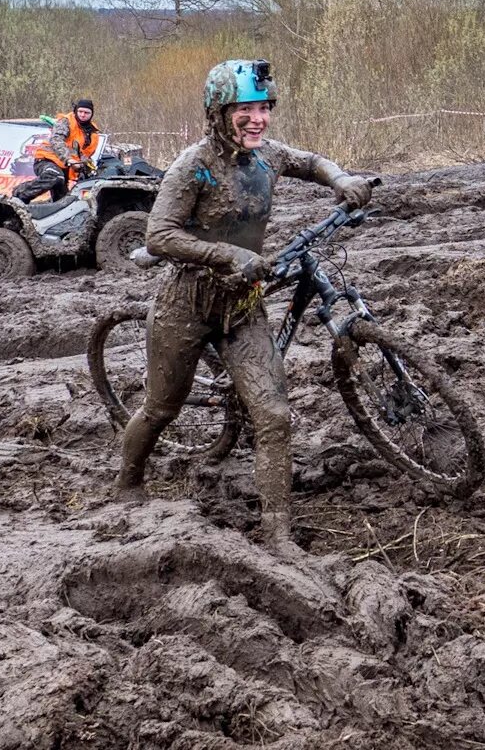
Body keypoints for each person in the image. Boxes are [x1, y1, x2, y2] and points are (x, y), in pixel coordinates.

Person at [114, 61, 373, 549]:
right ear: (218, 113)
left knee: (274, 416)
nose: (258, 119)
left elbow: (312, 162)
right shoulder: (193, 165)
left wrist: (341, 179)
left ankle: (277, 532)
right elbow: (159, 234)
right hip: (185, 303)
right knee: (161, 407)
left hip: (243, 305)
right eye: (245, 110)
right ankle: (127, 481)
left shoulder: (268, 157)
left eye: (264, 109)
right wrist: (230, 253)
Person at [16, 99, 100, 201]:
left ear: (92, 114)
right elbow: (57, 140)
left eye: (86, 113)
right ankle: (19, 195)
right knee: (54, 176)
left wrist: (87, 167)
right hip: (47, 160)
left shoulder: (92, 131)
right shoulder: (66, 122)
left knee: (63, 202)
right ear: (76, 111)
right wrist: (69, 160)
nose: (83, 115)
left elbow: (85, 154)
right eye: (80, 111)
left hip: (66, 167)